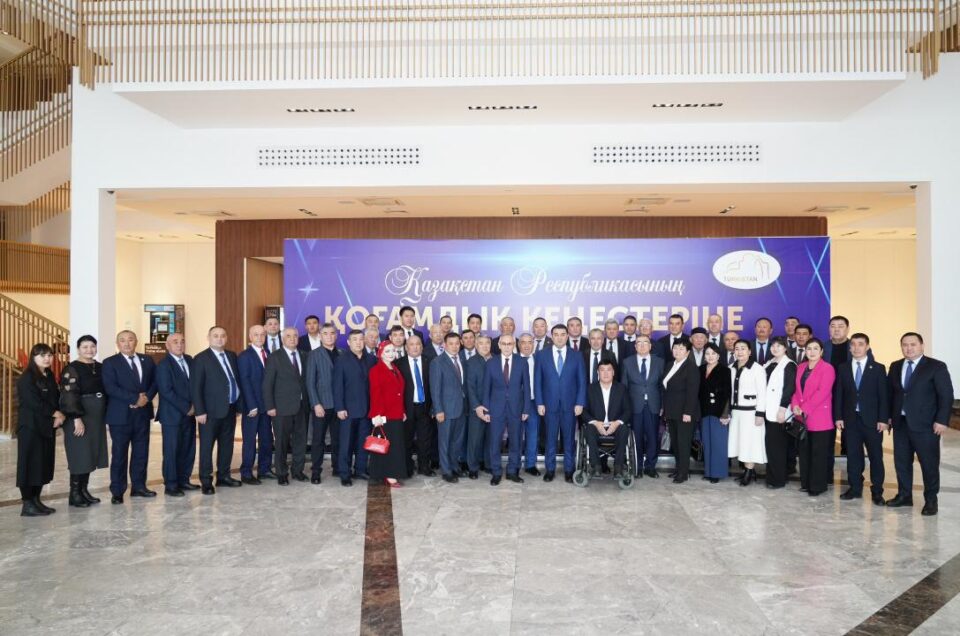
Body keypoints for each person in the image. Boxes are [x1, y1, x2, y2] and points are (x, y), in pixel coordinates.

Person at [886, 332, 954, 516]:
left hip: (926, 425)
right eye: (905, 345)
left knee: (929, 464)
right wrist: (889, 416)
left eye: (913, 344)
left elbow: (946, 395)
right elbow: (891, 394)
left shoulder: (936, 366)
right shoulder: (895, 366)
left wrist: (942, 420)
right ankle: (904, 496)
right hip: (900, 423)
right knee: (902, 462)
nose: (908, 348)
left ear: (922, 346)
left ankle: (931, 500)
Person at [103, 330, 158, 503]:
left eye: (130, 340)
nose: (127, 343)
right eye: (122, 340)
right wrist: (135, 399)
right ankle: (117, 491)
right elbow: (110, 387)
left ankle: (139, 487)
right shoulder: (110, 362)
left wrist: (146, 398)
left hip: (142, 414)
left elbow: (155, 382)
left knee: (141, 452)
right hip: (120, 416)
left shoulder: (147, 360)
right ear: (117, 343)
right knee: (119, 454)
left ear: (136, 341)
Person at [834, 333, 888, 505]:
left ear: (867, 347)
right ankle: (855, 488)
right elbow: (839, 394)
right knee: (853, 456)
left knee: (876, 457)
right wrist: (838, 416)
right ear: (849, 348)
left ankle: (877, 491)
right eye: (853, 344)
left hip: (873, 421)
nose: (856, 348)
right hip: (850, 420)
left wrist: (883, 419)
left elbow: (884, 396)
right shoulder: (843, 368)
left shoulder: (878, 368)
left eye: (861, 344)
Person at [190, 326, 243, 495]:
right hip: (210, 411)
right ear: (209, 338)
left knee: (227, 445)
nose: (219, 339)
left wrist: (238, 406)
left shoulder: (231, 356)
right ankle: (206, 481)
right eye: (215, 336)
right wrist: (199, 411)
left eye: (222, 336)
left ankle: (224, 476)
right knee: (207, 447)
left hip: (230, 408)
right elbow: (196, 387)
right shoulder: (200, 358)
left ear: (226, 338)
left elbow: (235, 381)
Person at [58, 335, 109, 506]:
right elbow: (69, 394)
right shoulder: (71, 368)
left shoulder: (100, 366)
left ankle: (83, 490)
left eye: (92, 346)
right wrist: (76, 418)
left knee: (90, 453)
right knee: (79, 453)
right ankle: (74, 494)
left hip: (96, 416)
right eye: (85, 347)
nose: (89, 350)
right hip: (79, 415)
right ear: (78, 349)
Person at [17, 344, 65, 516]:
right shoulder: (27, 378)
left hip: (46, 426)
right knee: (29, 464)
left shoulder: (49, 374)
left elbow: (55, 398)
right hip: (30, 427)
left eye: (49, 355)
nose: (47, 358)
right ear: (33, 357)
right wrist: (55, 413)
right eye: (42, 355)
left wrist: (58, 415)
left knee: (43, 464)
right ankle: (27, 503)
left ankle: (36, 500)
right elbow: (33, 402)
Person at [535, 324, 586, 483]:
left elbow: (582, 382)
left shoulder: (577, 355)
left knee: (569, 439)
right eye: (556, 334)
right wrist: (539, 402)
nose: (559, 337)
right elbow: (537, 381)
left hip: (570, 406)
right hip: (549, 405)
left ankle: (569, 470)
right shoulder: (541, 355)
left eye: (562, 334)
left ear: (567, 336)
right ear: (552, 336)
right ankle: (550, 470)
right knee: (550, 439)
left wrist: (580, 402)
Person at [479, 334, 529, 484]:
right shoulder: (491, 363)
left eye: (510, 344)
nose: (507, 347)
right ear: (499, 345)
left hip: (516, 408)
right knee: (495, 441)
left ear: (514, 345)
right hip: (495, 409)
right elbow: (486, 388)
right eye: (504, 344)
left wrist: (526, 409)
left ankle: (512, 471)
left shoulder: (522, 362)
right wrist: (486, 410)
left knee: (516, 441)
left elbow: (527, 388)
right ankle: (496, 472)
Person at [263, 327, 310, 485]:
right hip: (281, 408)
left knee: (300, 441)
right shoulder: (274, 357)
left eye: (295, 336)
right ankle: (281, 473)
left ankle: (298, 471)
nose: (292, 338)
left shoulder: (304, 355)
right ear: (283, 339)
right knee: (281, 442)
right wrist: (270, 406)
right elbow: (267, 384)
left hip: (302, 406)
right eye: (288, 336)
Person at [791, 339, 836, 497]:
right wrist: (795, 405)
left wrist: (804, 408)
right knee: (804, 453)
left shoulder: (827, 368)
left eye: (815, 348)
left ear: (822, 351)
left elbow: (822, 392)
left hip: (820, 417)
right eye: (809, 348)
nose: (812, 351)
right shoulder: (801, 367)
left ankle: (817, 486)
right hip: (802, 417)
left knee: (818, 454)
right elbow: (796, 391)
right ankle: (806, 483)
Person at [155, 333, 199, 496]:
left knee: (188, 448)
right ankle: (171, 485)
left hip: (190, 414)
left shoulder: (190, 360)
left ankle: (184, 480)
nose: (179, 345)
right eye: (175, 342)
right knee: (171, 451)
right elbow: (166, 391)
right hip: (172, 415)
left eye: (182, 342)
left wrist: (195, 405)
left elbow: (196, 384)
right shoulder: (163, 365)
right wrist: (186, 407)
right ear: (167, 345)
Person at [332, 329, 375, 486]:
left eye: (361, 339)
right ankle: (345, 473)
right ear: (348, 342)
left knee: (363, 442)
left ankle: (360, 470)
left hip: (367, 410)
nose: (358, 342)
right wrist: (339, 408)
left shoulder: (371, 360)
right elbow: (337, 386)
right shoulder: (341, 360)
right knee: (346, 444)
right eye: (355, 339)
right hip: (348, 411)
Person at [621, 335, 664, 478]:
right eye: (638, 343)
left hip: (653, 405)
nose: (642, 345)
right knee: (636, 438)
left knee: (653, 437)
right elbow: (624, 387)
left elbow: (663, 387)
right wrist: (625, 408)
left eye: (645, 342)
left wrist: (662, 405)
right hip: (634, 406)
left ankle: (650, 467)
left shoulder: (659, 362)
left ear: (650, 346)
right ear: (635, 347)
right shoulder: (627, 362)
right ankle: (637, 466)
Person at [305, 322, 342, 481]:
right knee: (318, 440)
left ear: (336, 335)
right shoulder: (314, 354)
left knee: (338, 439)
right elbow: (310, 382)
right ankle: (316, 471)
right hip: (322, 405)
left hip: (339, 406)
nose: (329, 336)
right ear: (320, 336)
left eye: (332, 333)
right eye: (325, 333)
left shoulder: (342, 353)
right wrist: (316, 404)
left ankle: (337, 468)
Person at [582, 360, 632, 477]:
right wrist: (595, 423)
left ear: (613, 372)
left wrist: (617, 423)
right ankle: (596, 466)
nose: (605, 373)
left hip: (615, 425)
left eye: (609, 370)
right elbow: (583, 410)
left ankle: (618, 467)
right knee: (589, 428)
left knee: (624, 429)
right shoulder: (590, 389)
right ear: (597, 372)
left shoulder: (621, 388)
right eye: (602, 370)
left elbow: (628, 410)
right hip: (596, 425)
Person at [368, 341, 408, 487]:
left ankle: (392, 473)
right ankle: (388, 475)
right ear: (380, 353)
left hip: (396, 413)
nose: (391, 354)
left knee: (395, 445)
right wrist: (377, 414)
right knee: (385, 445)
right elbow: (375, 394)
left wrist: (403, 411)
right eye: (387, 351)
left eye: (393, 351)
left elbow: (399, 393)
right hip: (384, 415)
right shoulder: (376, 370)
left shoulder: (395, 368)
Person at [237, 325, 273, 485]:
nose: (260, 337)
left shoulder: (269, 353)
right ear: (250, 337)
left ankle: (264, 470)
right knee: (250, 441)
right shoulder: (244, 356)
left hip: (266, 406)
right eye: (256, 334)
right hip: (252, 407)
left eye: (262, 334)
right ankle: (246, 473)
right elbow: (244, 381)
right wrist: (252, 405)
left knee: (266, 440)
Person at [728, 339, 767, 486]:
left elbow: (762, 393)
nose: (739, 351)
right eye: (737, 348)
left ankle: (749, 472)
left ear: (750, 352)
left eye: (743, 348)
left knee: (750, 442)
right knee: (740, 442)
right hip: (736, 412)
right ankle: (747, 470)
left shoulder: (757, 369)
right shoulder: (731, 368)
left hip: (751, 412)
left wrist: (760, 413)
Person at [430, 332, 468, 483]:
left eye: (457, 343)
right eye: (451, 343)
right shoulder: (437, 362)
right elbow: (435, 389)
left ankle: (454, 466)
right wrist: (438, 410)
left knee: (456, 442)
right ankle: (446, 471)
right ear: (444, 345)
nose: (454, 346)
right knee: (445, 442)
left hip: (461, 408)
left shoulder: (462, 360)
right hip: (445, 410)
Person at [662, 340, 701, 484]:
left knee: (683, 444)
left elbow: (692, 392)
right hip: (671, 411)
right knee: (676, 443)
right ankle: (679, 469)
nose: (677, 351)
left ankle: (683, 473)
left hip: (685, 413)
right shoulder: (670, 365)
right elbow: (666, 389)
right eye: (675, 348)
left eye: (681, 348)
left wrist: (688, 412)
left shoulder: (691, 367)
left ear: (688, 352)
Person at [395, 334, 434, 476]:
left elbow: (433, 386)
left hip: (424, 407)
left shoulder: (429, 362)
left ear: (422, 347)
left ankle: (424, 467)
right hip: (406, 408)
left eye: (418, 344)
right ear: (406, 347)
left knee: (425, 440)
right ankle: (407, 467)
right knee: (406, 440)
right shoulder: (398, 364)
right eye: (411, 344)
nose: (415, 347)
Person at [762, 337, 797, 489]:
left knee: (778, 448)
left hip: (779, 412)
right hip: (768, 411)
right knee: (771, 446)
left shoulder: (789, 365)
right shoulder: (769, 363)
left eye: (779, 346)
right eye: (773, 346)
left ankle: (778, 480)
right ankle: (772, 477)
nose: (775, 348)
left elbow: (789, 389)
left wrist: (782, 409)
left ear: (785, 348)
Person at [699, 343, 731, 483]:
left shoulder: (725, 370)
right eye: (707, 354)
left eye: (713, 354)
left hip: (719, 411)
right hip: (704, 410)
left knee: (718, 443)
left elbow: (727, 393)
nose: (710, 356)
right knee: (707, 442)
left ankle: (717, 473)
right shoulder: (700, 369)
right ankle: (708, 471)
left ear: (718, 355)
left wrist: (725, 413)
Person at [465, 335, 493, 478]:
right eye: (481, 343)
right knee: (474, 440)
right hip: (477, 407)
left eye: (487, 343)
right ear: (476, 345)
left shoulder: (497, 360)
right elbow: (469, 387)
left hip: (494, 407)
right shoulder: (471, 362)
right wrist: (476, 406)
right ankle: (473, 468)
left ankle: (489, 464)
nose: (485, 346)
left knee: (491, 438)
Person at [517, 334, 541, 476]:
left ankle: (530, 464)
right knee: (516, 434)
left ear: (533, 344)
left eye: (529, 342)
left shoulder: (539, 360)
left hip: (533, 402)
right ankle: (515, 463)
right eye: (523, 342)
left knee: (533, 434)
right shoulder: (513, 359)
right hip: (516, 403)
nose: (526, 345)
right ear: (519, 344)